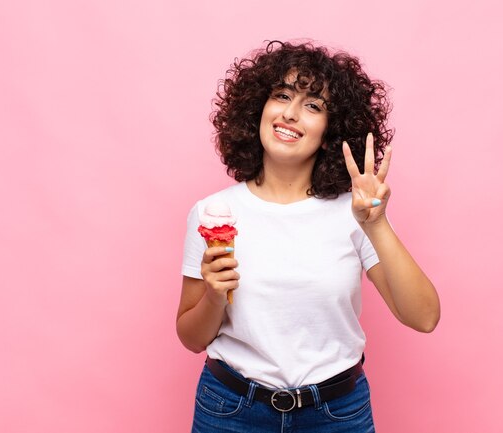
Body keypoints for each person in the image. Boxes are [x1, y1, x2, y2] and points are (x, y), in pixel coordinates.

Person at [177, 40, 440, 433]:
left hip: (336, 415)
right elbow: (191, 337)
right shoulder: (213, 213)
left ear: (331, 131)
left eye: (313, 105)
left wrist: (377, 224)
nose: (290, 113)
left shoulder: (356, 213)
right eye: (282, 95)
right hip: (230, 411)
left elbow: (423, 317)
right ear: (257, 108)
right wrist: (216, 294)